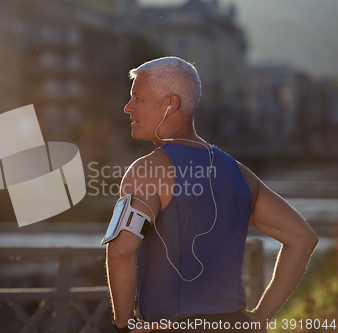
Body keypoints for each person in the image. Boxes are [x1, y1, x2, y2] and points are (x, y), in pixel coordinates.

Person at [104, 56, 319, 333]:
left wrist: (124, 325)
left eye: (138, 98)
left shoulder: (147, 170)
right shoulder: (239, 173)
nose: (128, 107)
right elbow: (303, 239)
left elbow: (121, 249)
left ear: (171, 105)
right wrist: (261, 317)